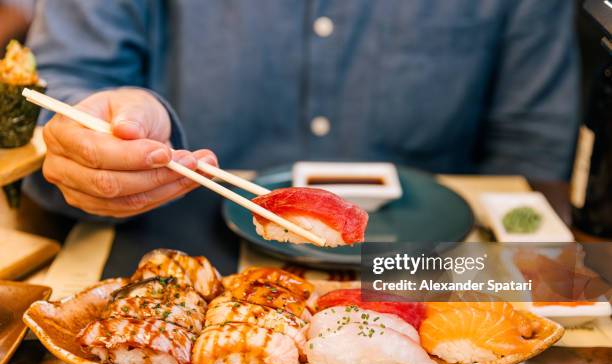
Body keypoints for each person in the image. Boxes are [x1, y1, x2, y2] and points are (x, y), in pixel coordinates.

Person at [23, 0, 579, 220]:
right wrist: (107, 127)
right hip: (169, 237)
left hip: (427, 265)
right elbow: (69, 82)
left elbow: (530, 153)